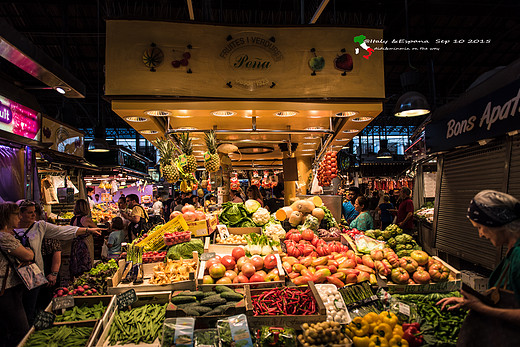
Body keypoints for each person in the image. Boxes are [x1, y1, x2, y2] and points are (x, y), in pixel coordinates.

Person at [436, 190, 520, 345]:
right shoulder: (512, 250)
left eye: (480, 227)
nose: (480, 234)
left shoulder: (519, 256)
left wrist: (482, 308)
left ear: (495, 222)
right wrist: (471, 302)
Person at [15, 199, 102, 326]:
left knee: (31, 308)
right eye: (29, 213)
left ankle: (31, 331)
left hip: (34, 274)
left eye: (34, 212)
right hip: (14, 278)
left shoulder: (39, 226)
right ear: (19, 214)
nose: (33, 215)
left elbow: (62, 231)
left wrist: (87, 230)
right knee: (16, 310)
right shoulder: (8, 231)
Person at [0, 203, 35, 347]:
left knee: (7, 327)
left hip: (8, 287)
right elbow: (28, 255)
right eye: (17, 214)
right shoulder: (4, 238)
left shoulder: (8, 235)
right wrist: (27, 250)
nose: (19, 217)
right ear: (7, 217)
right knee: (20, 330)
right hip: (6, 288)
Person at [69, 199, 97, 279]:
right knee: (85, 267)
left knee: (76, 266)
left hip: (75, 245)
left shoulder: (73, 219)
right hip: (85, 246)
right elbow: (97, 230)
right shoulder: (87, 220)